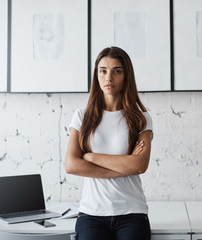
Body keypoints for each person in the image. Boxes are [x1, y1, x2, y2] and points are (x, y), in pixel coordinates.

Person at [65, 46, 153, 240]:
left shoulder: (141, 118)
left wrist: (90, 157)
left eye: (117, 71)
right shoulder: (82, 116)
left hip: (132, 212)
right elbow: (71, 165)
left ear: (126, 75)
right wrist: (124, 166)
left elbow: (139, 165)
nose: (108, 78)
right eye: (103, 71)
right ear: (96, 74)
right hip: (91, 214)